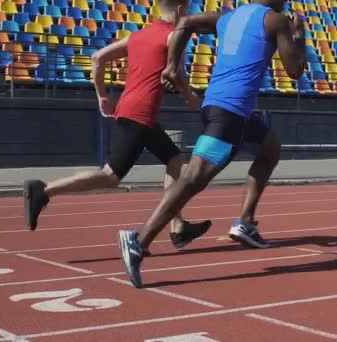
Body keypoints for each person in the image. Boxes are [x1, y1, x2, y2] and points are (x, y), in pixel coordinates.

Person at [117, 0, 306, 288]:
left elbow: (185, 22)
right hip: (229, 113)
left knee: (270, 148)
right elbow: (294, 71)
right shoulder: (276, 21)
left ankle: (245, 222)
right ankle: (139, 241)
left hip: (222, 107)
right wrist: (299, 40)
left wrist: (171, 65)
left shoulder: (227, 17)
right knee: (193, 178)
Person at [23, 0, 212, 255]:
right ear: (180, 10)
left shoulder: (138, 36)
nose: (188, 15)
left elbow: (97, 56)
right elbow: (176, 73)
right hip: (141, 114)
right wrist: (191, 97)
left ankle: (177, 226)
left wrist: (101, 95)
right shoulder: (172, 37)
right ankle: (44, 191)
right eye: (187, 10)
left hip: (130, 107)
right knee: (111, 176)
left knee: (174, 157)